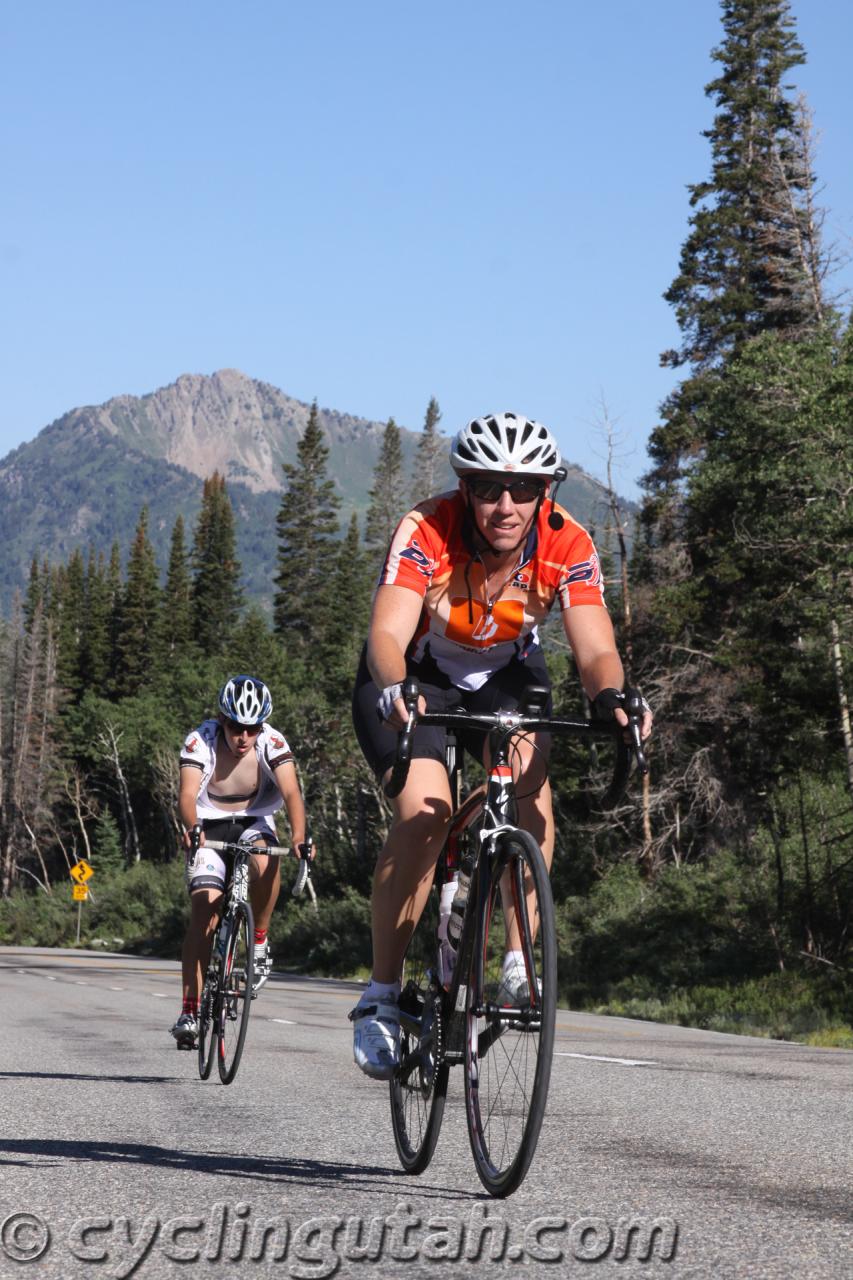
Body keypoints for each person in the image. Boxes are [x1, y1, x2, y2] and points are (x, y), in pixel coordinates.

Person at [349, 412, 652, 1078]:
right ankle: (381, 995)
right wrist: (396, 688)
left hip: (507, 676)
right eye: (488, 488)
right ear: (465, 487)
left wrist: (611, 698)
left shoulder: (567, 542)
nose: (505, 505)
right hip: (417, 674)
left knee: (529, 794)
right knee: (423, 817)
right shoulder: (427, 528)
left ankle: (516, 961)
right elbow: (386, 635)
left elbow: (595, 647)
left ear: (545, 490)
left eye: (523, 488)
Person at [170, 674, 309, 1047]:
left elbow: (291, 792)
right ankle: (189, 1009)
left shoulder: (272, 742)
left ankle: (259, 940)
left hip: (252, 822)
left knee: (266, 858)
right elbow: (186, 795)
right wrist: (193, 827)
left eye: (252, 728)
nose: (243, 737)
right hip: (208, 826)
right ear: (222, 720)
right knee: (204, 911)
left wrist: (299, 837)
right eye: (235, 727)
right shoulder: (200, 740)